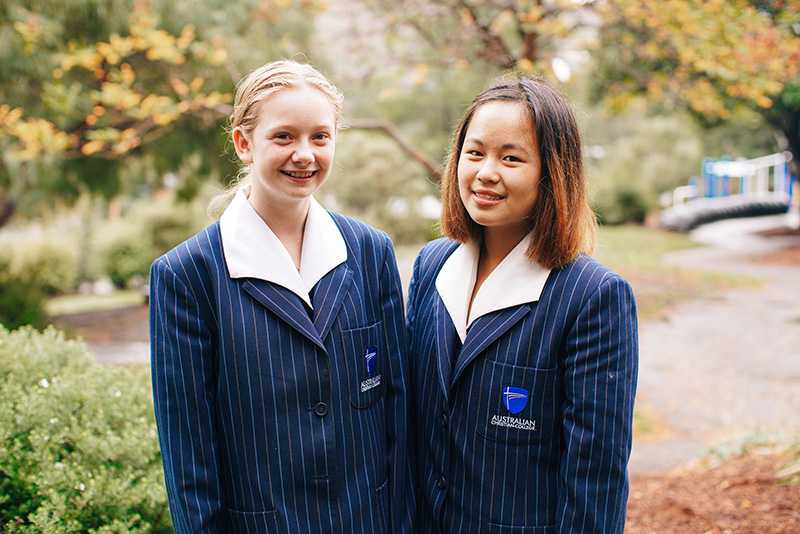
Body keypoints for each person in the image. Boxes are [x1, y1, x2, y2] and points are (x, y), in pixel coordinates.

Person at [149, 60, 413, 533]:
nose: (304, 154)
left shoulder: (371, 252)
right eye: (284, 137)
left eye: (320, 137)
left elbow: (396, 412)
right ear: (243, 143)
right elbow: (189, 455)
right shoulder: (187, 276)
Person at [406, 76, 638, 533]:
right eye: (475, 153)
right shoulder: (432, 266)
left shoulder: (592, 298)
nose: (486, 172)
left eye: (511, 158)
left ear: (552, 172)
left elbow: (595, 480)